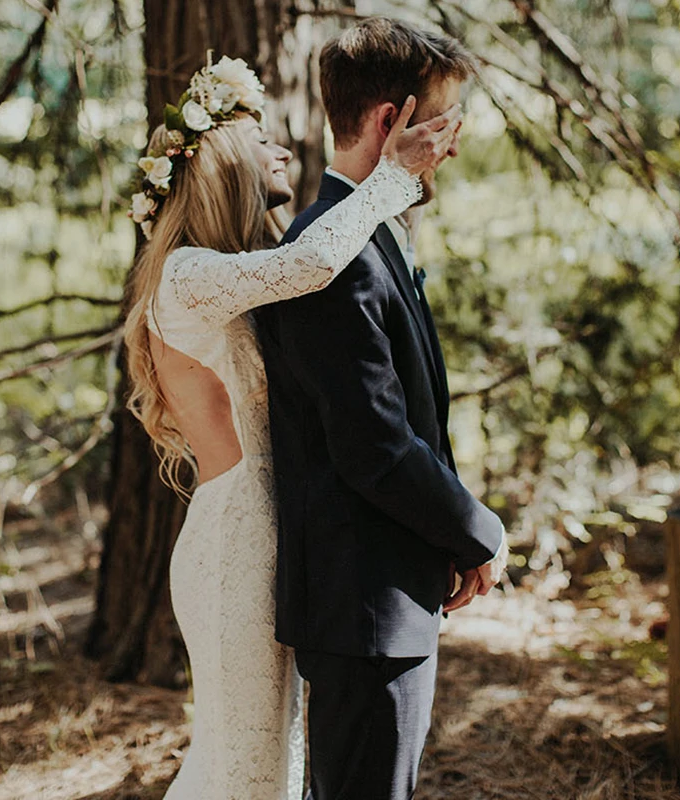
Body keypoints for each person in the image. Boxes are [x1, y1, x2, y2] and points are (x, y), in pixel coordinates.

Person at [122, 53, 462, 800]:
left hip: (273, 542)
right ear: (218, 164)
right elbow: (313, 261)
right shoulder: (184, 275)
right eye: (261, 139)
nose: (283, 151)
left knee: (273, 772)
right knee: (243, 774)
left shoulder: (230, 270)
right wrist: (393, 180)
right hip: (235, 549)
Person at [256, 18, 510, 800]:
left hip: (384, 597)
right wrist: (477, 528)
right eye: (443, 122)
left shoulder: (361, 239)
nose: (454, 146)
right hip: (362, 609)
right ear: (388, 122)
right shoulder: (331, 258)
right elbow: (375, 445)